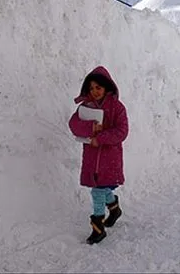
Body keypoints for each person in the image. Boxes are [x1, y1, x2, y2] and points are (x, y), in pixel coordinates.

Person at [68, 66, 129, 244]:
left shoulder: (117, 108)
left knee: (98, 191)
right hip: (92, 158)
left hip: (110, 159)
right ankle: (115, 209)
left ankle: (98, 228)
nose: (94, 92)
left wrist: (100, 138)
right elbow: (73, 125)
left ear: (106, 88)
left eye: (98, 88)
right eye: (91, 88)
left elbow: (122, 132)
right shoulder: (85, 107)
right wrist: (91, 128)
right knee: (101, 189)